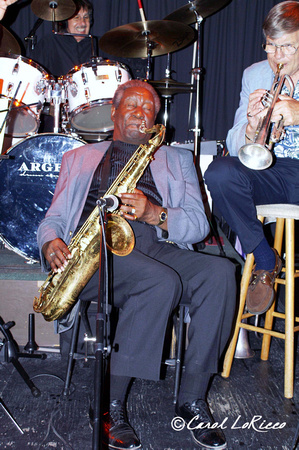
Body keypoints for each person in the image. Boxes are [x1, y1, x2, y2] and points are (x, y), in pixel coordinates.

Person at [37, 79, 236, 450]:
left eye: (149, 108)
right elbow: (53, 219)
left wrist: (156, 213)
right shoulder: (78, 158)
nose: (141, 113)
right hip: (94, 254)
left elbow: (198, 225)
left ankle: (192, 397)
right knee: (159, 282)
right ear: (113, 111)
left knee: (220, 273)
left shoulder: (176, 159)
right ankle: (110, 405)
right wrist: (51, 242)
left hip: (155, 243)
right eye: (132, 105)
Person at [205, 1, 299, 316]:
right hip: (273, 172)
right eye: (270, 46)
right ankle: (265, 258)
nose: (277, 57)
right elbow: (233, 141)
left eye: (286, 47)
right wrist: (251, 125)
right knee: (219, 173)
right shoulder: (255, 74)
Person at [28, 0, 96, 78]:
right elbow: (32, 76)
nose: (83, 23)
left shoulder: (97, 45)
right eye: (77, 17)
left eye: (86, 17)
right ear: (66, 21)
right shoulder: (49, 43)